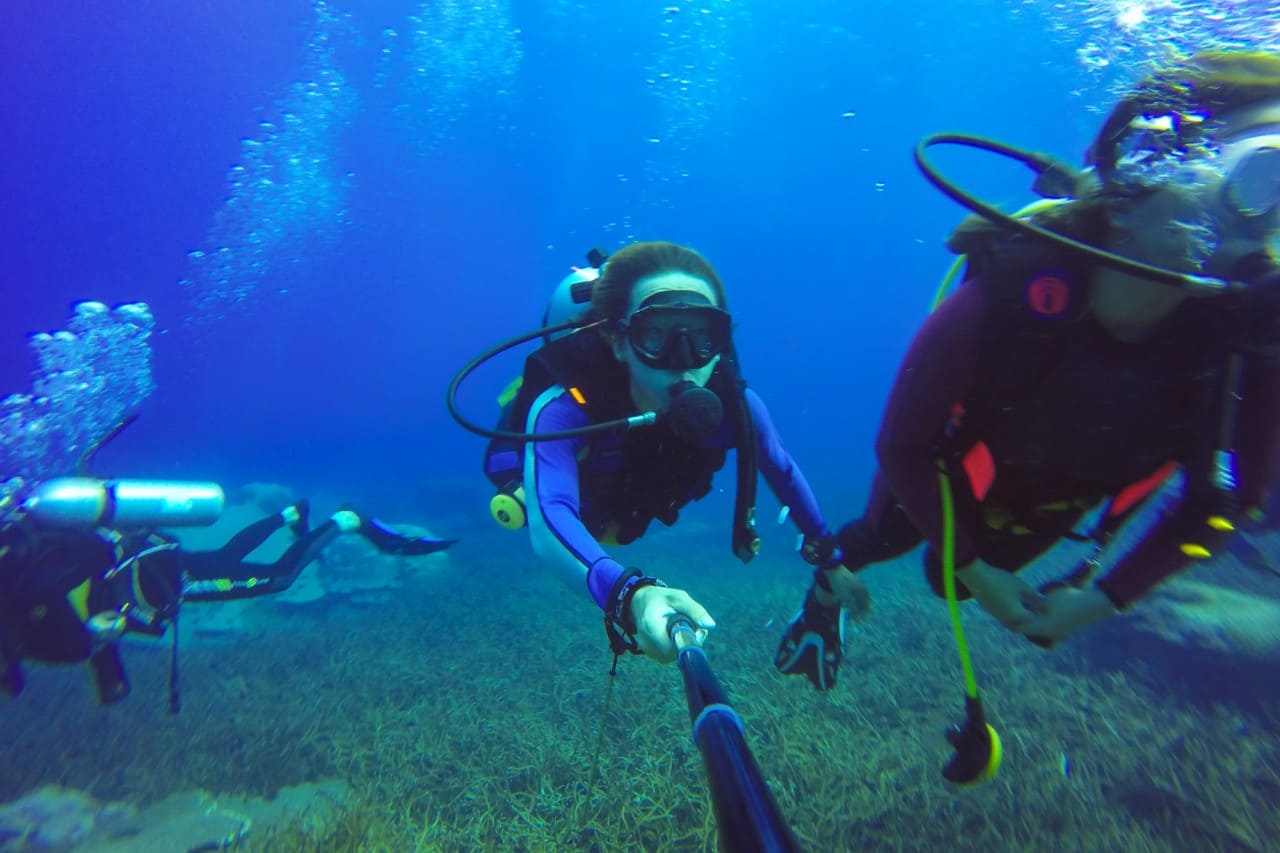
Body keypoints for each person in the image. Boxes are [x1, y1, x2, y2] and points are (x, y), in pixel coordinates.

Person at [777, 50, 1280, 690]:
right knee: (881, 537)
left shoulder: (1242, 345)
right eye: (1262, 178)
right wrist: (976, 569)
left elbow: (1227, 503)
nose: (1267, 228)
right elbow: (903, 445)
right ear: (1132, 191)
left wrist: (1102, 599)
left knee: (949, 585)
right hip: (954, 466)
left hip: (1058, 494)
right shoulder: (1016, 294)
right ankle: (821, 605)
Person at [476, 241, 858, 673]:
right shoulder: (564, 409)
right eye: (656, 335)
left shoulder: (738, 407)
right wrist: (631, 596)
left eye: (702, 337)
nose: (684, 362)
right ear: (618, 341)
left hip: (633, 506)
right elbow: (551, 515)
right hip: (591, 501)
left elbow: (781, 469)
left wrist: (831, 560)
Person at [0, 483, 455, 709]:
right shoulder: (20, 572)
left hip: (154, 581)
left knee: (278, 578)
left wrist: (98, 639)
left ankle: (344, 521)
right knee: (222, 558)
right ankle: (289, 514)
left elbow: (64, 643)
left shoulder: (18, 594)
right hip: (146, 558)